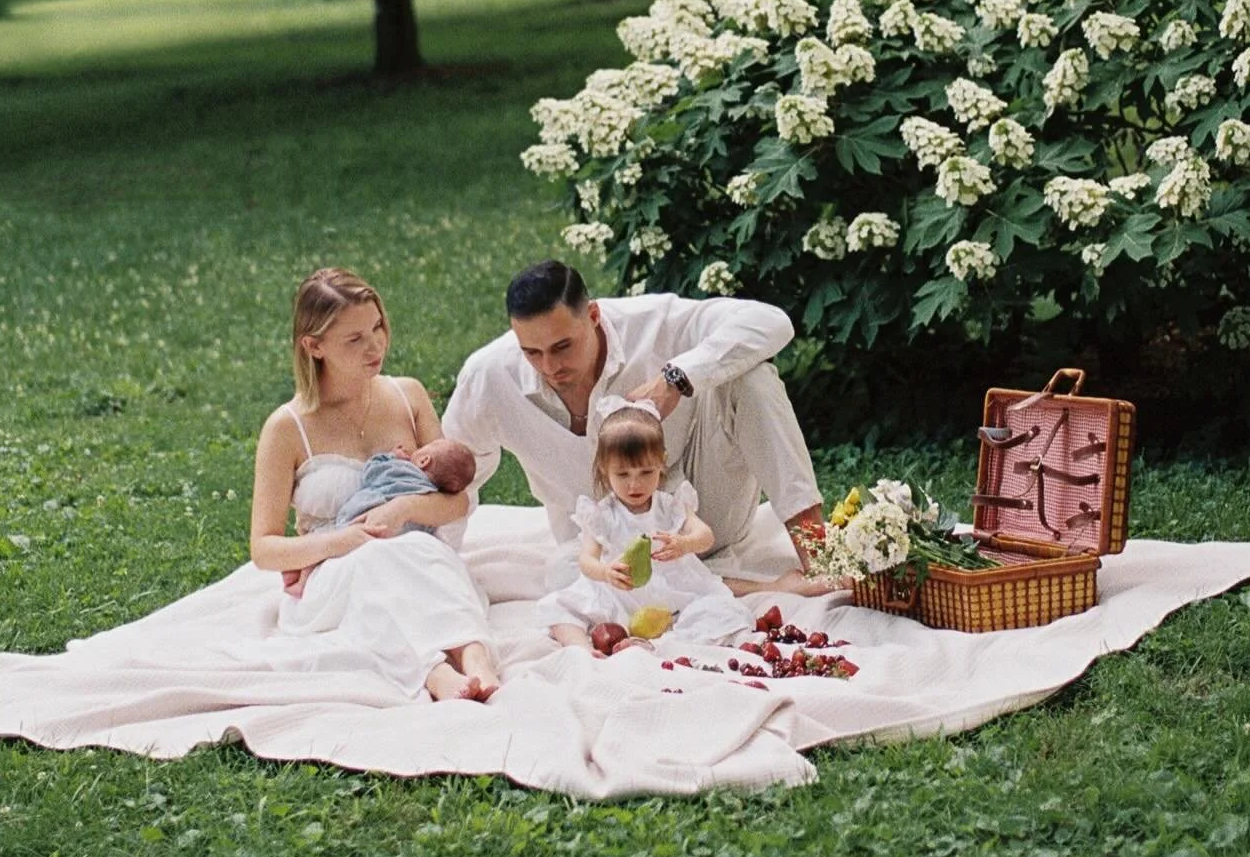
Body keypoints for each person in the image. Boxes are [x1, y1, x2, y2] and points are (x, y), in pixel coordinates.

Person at [442, 260, 825, 594]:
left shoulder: (651, 322)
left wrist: (677, 378)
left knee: (752, 378)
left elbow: (771, 322)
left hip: (704, 516)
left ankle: (821, 557)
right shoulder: (489, 375)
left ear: (593, 316)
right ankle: (763, 589)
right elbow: (453, 474)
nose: (549, 367)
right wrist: (434, 566)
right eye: (532, 353)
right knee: (569, 577)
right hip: (601, 553)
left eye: (562, 347)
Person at [251, 267, 500, 702]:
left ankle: (475, 654)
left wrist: (403, 510)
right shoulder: (286, 428)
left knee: (416, 549)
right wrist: (345, 540)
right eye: (354, 339)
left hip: (417, 557)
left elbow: (455, 502)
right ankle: (433, 671)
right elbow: (264, 548)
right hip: (334, 573)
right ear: (314, 346)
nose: (376, 345)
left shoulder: (408, 394)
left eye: (377, 327)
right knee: (374, 562)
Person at [537, 402, 750, 650]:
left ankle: (670, 642)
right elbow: (587, 559)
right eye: (623, 475)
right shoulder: (602, 514)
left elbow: (705, 536)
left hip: (673, 591)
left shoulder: (671, 505)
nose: (634, 485)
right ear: (605, 470)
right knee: (559, 606)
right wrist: (605, 571)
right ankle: (581, 648)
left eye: (646, 472)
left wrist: (685, 544)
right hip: (621, 591)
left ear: (662, 464)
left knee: (721, 611)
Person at [279, 437, 478, 598]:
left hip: (364, 517)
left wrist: (392, 457)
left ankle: (305, 573)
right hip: (406, 539)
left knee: (330, 550)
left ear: (424, 460)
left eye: (426, 447)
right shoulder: (430, 493)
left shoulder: (401, 469)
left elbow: (372, 472)